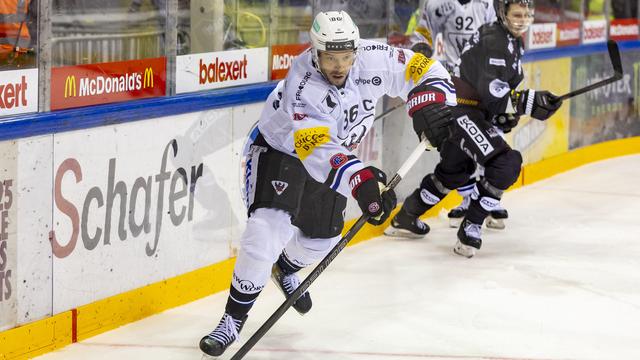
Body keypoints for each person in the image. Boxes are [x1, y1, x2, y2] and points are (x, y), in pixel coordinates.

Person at [198, 10, 456, 357]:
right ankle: (231, 321)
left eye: (346, 56)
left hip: (338, 157)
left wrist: (433, 102)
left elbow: (425, 69)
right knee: (266, 231)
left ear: (356, 50)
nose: (339, 65)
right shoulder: (302, 83)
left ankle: (285, 269)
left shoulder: (374, 58)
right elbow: (316, 149)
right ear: (315, 52)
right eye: (330, 57)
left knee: (323, 240)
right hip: (282, 151)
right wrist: (361, 179)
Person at [385, 0, 563, 257]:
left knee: (455, 171)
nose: (522, 19)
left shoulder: (509, 36)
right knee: (505, 163)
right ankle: (472, 224)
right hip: (459, 103)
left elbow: (494, 88)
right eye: (517, 14)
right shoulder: (491, 36)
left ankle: (407, 216)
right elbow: (491, 88)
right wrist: (527, 102)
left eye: (526, 14)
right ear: (504, 14)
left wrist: (504, 112)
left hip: (470, 105)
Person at [409, 0, 511, 230]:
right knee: (458, 141)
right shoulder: (435, 3)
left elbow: (499, 34)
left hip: (483, 80)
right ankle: (467, 200)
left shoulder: (487, 4)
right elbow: (422, 30)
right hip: (451, 80)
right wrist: (419, 47)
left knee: (491, 133)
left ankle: (488, 198)